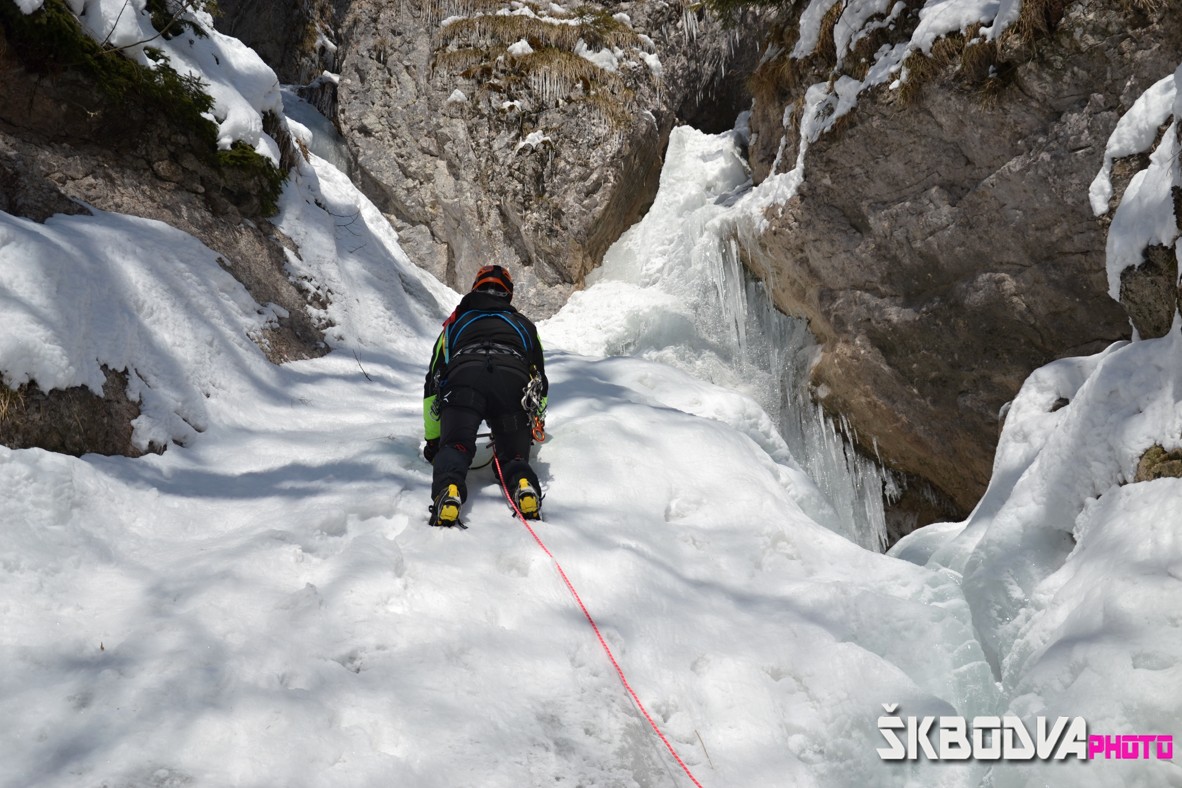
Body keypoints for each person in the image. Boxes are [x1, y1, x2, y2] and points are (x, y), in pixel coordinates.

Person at [422, 265, 548, 527]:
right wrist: (536, 423)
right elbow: (540, 382)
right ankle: (522, 482)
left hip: (463, 379)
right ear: (508, 294)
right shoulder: (524, 325)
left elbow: (432, 385)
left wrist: (435, 440)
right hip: (512, 383)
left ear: (475, 289)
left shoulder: (454, 324)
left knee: (455, 445)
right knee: (513, 456)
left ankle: (450, 488)